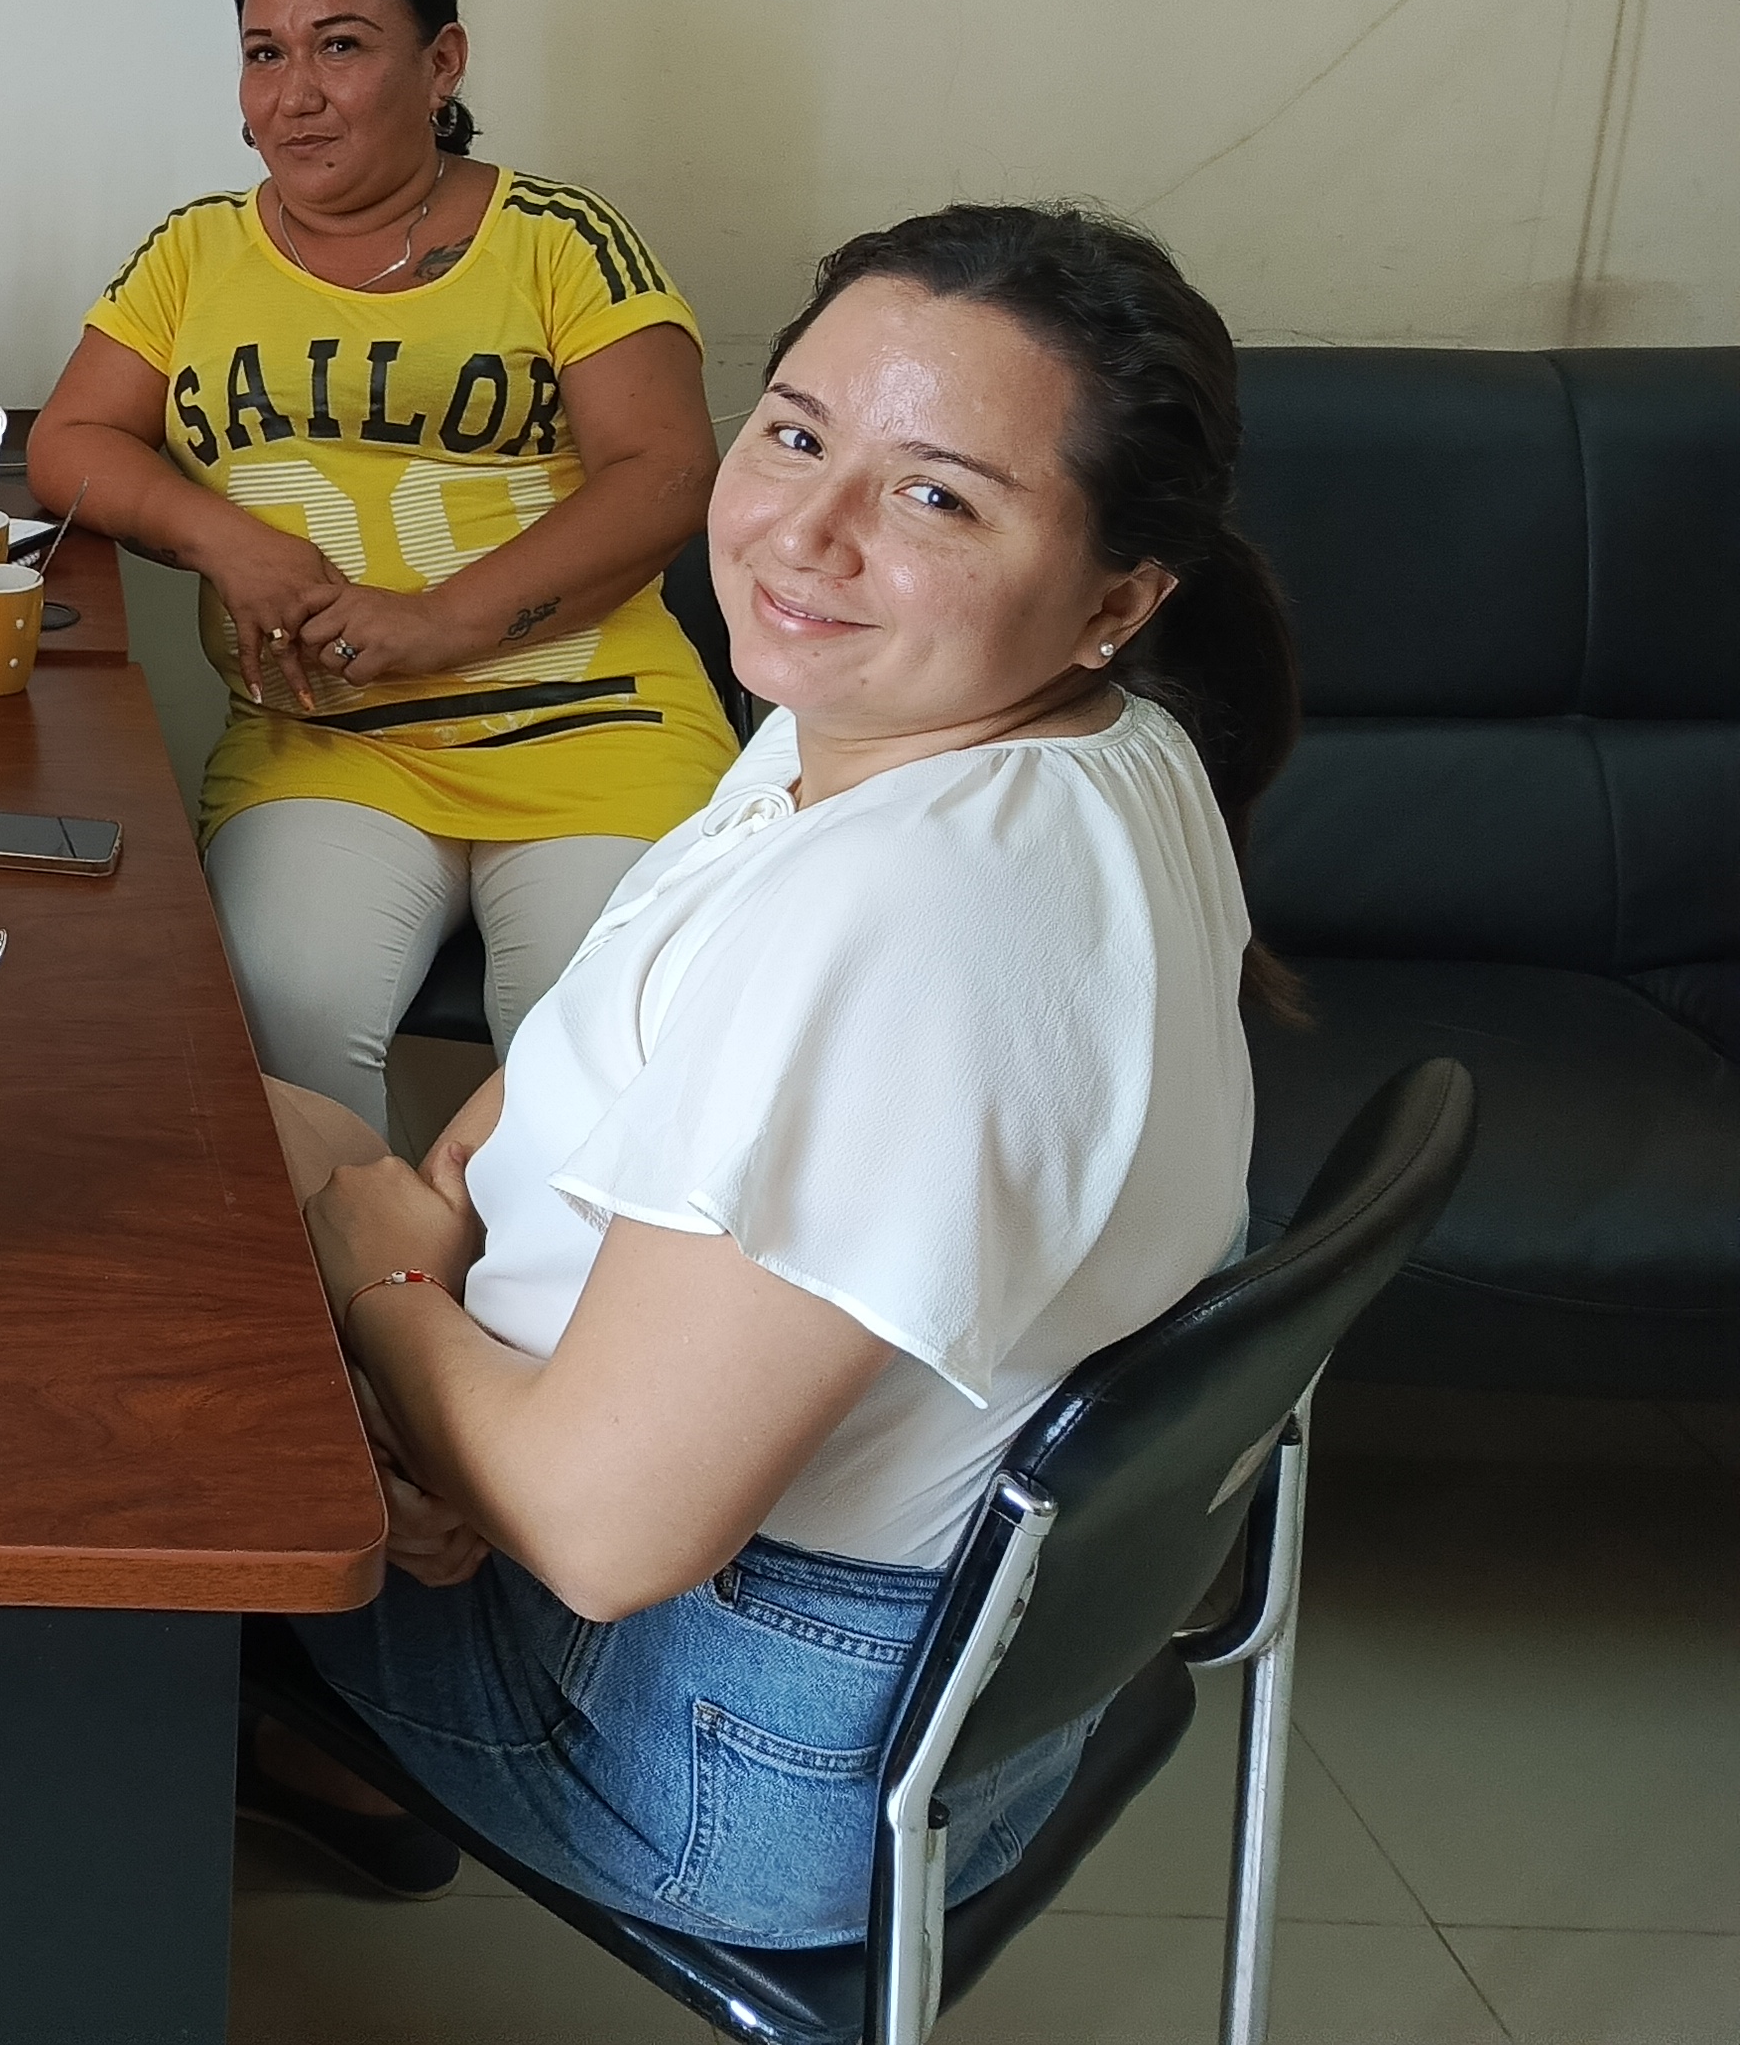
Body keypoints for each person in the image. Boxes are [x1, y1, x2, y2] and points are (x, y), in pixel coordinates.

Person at [249, 204, 1284, 1944]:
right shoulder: (961, 730)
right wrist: (416, 1329)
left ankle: (226, 1747)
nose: (803, 534)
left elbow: (600, 1531)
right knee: (240, 1141)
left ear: (1117, 595)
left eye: (935, 496)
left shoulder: (915, 910)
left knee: (107, 1349)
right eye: (796, 435)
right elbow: (575, 1048)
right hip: (860, 1653)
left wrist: (387, 1299)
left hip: (713, 1744)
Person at [25, 0, 735, 1122]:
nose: (294, 94)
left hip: (596, 736)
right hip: (324, 744)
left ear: (440, 63)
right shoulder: (192, 253)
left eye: (340, 46)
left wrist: (438, 623)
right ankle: (368, 1254)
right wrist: (223, 539)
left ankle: (497, 1258)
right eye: (264, 54)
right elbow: (68, 442)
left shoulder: (558, 238)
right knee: (275, 1024)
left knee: (599, 1061)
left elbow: (667, 471)